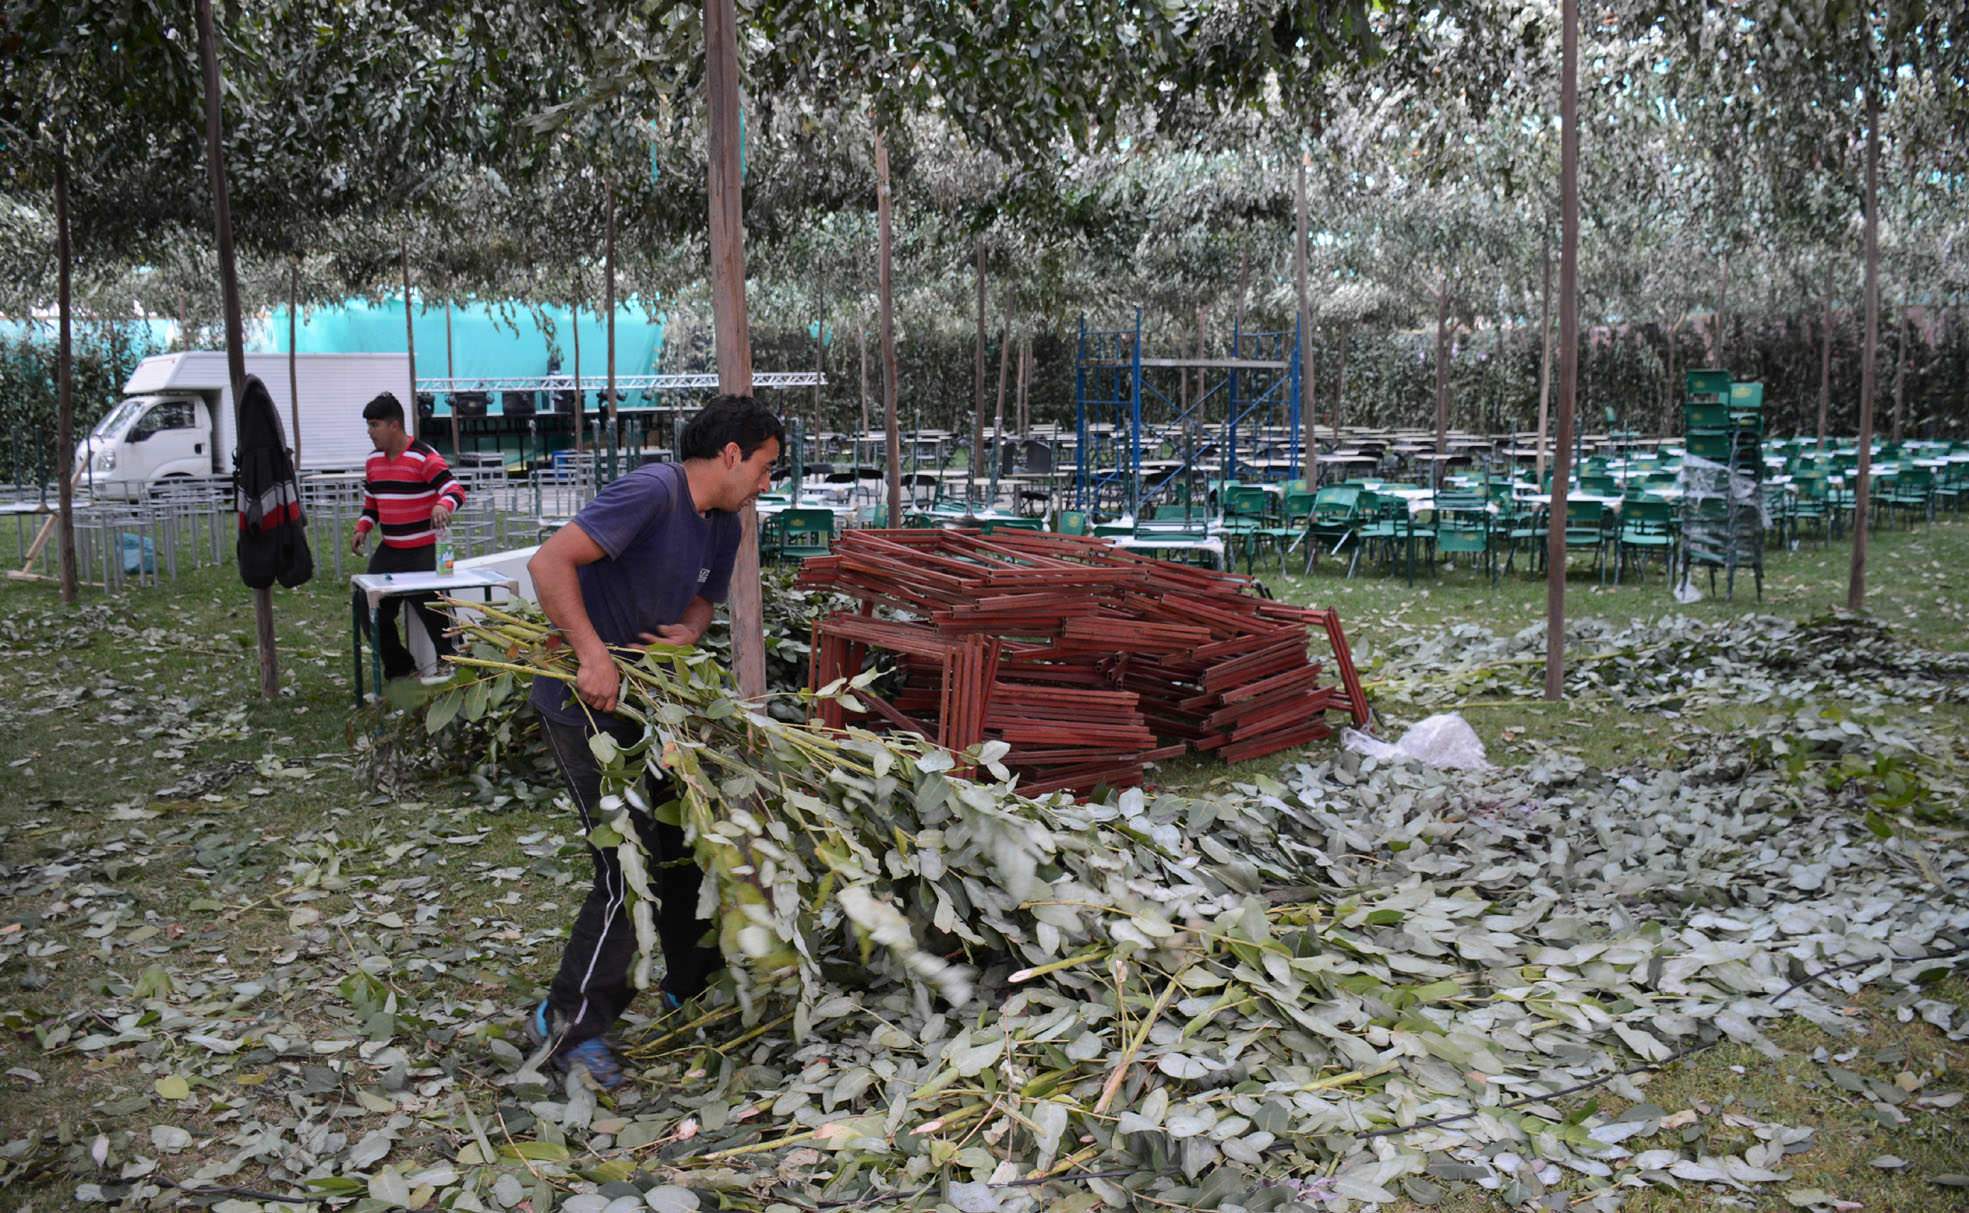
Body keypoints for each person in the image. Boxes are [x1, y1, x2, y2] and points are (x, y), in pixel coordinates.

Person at [523, 394, 784, 1089]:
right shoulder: (651, 491)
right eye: (764, 466)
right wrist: (591, 653)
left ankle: (688, 987)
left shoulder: (722, 521)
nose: (767, 482)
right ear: (731, 454)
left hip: (652, 706)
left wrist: (692, 630)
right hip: (586, 707)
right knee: (627, 868)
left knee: (688, 843)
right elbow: (550, 563)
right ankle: (566, 1026)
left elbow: (703, 599)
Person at [350, 392, 466, 681]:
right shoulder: (373, 461)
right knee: (369, 609)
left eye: (374, 425)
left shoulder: (425, 457)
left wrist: (443, 504)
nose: (369, 432)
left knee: (438, 615)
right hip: (390, 551)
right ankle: (402, 670)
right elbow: (372, 502)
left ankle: (456, 670)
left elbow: (455, 490)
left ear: (394, 426)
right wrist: (363, 528)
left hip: (425, 551)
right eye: (368, 425)